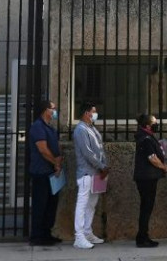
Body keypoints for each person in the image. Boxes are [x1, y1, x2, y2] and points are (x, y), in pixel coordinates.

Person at [72, 102, 109, 249]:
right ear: (86, 113)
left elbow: (99, 148)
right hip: (87, 172)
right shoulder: (81, 130)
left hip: (96, 173)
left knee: (91, 205)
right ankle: (79, 236)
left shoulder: (91, 128)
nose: (95, 114)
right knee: (82, 204)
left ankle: (87, 232)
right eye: (93, 112)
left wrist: (103, 166)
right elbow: (88, 153)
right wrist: (102, 166)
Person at [28, 99, 63, 246]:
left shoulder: (50, 127)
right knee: (40, 204)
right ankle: (37, 236)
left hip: (52, 172)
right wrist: (55, 162)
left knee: (51, 205)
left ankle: (46, 233)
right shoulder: (38, 127)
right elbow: (42, 149)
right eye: (52, 109)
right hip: (41, 172)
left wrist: (58, 163)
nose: (55, 112)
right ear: (45, 110)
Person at [133, 113, 167, 248]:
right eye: (154, 122)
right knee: (146, 207)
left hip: (147, 177)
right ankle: (142, 237)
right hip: (146, 177)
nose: (156, 124)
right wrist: (163, 166)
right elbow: (152, 157)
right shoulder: (146, 139)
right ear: (148, 125)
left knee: (146, 207)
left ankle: (143, 235)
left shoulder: (146, 137)